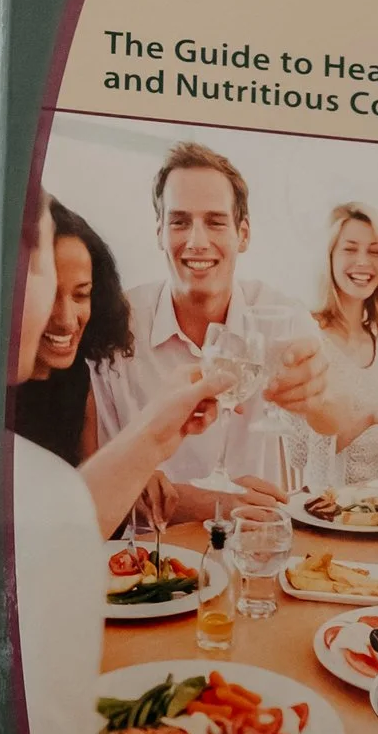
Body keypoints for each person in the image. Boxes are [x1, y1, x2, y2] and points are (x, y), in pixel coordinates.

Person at [94, 138, 315, 522]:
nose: (197, 242)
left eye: (215, 222)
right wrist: (204, 503)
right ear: (160, 232)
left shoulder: (282, 319)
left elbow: (333, 417)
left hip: (260, 553)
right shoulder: (115, 329)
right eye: (179, 222)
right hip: (153, 566)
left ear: (242, 234)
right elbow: (99, 489)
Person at [8, 194, 221, 536]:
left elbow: (84, 498)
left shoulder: (75, 375)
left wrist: (136, 478)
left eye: (81, 295)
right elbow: (37, 535)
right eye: (48, 295)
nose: (65, 320)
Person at [290, 201, 378, 444]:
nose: (363, 261)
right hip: (328, 485)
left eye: (374, 252)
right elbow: (300, 454)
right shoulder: (307, 337)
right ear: (329, 258)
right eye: (350, 249)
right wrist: (369, 418)